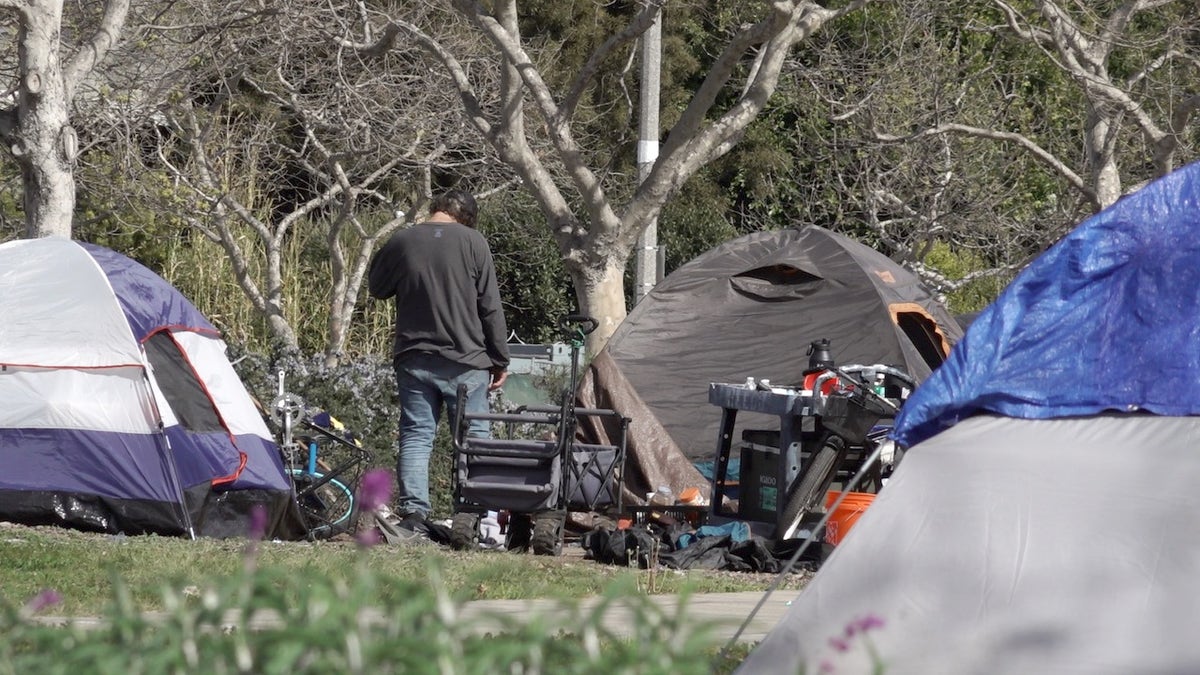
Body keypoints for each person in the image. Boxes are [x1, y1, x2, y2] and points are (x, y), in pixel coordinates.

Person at [368, 189, 510, 537]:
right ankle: (472, 512)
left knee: (417, 435)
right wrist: (500, 358)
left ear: (436, 210)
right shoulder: (474, 243)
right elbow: (490, 305)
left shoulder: (402, 241)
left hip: (414, 357)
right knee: (474, 437)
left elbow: (377, 287)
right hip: (466, 359)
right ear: (466, 218)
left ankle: (414, 515)